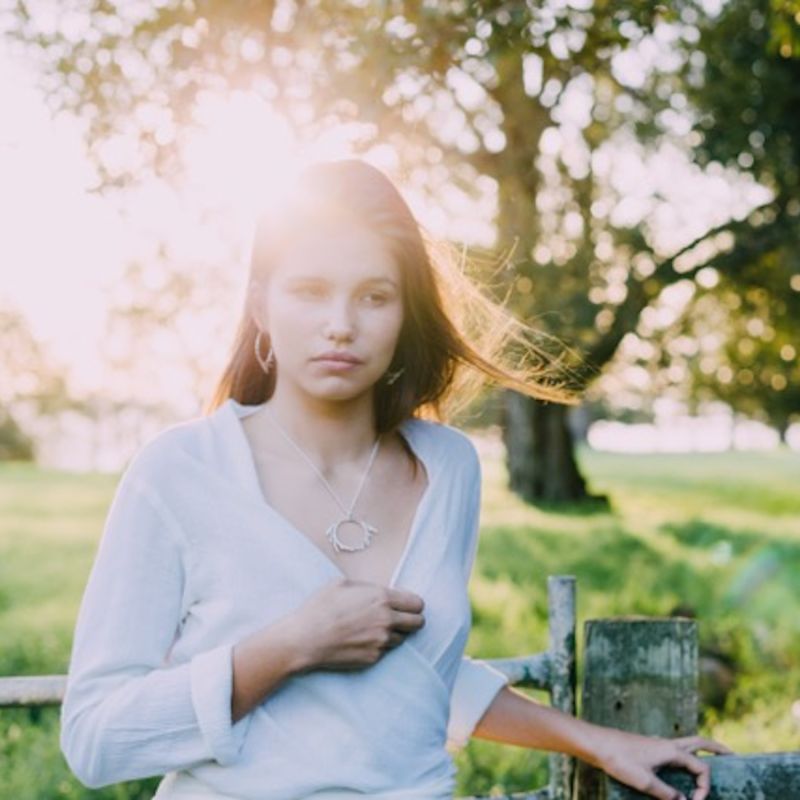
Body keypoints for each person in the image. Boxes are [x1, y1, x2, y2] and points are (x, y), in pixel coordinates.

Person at [60, 159, 731, 800]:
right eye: (310, 291)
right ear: (261, 305)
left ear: (405, 311)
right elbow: (95, 738)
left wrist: (598, 743)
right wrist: (290, 646)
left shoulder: (449, 468)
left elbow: (418, 680)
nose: (340, 326)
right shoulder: (180, 472)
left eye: (374, 296)